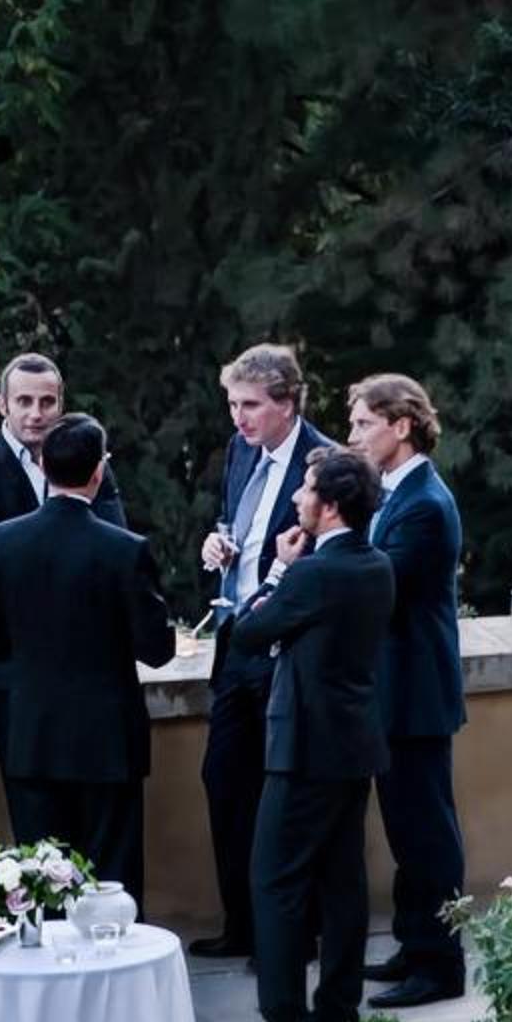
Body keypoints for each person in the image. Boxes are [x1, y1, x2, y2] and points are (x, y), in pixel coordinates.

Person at [211, 445, 393, 1022]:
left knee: (275, 880)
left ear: (330, 505)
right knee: (342, 880)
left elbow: (246, 632)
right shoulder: (376, 565)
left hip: (306, 747)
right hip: (354, 744)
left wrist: (275, 574)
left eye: (307, 488)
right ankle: (338, 1008)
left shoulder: (315, 573)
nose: (296, 496)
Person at [0, 411, 177, 909]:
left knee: (42, 883)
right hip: (109, 740)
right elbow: (157, 650)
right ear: (99, 471)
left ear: (42, 466)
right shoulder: (125, 550)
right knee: (113, 883)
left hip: (33, 734)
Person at [193, 341, 331, 960]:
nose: (238, 417)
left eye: (250, 405)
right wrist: (218, 544)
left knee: (287, 792)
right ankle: (242, 925)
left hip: (289, 647)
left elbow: (333, 558)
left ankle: (293, 935)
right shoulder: (239, 451)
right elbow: (236, 521)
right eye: (232, 404)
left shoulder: (323, 461)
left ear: (287, 402)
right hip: (236, 640)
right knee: (224, 779)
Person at [0, 351, 128, 821]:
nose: (36, 413)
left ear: (61, 403)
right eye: (24, 401)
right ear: (2, 404)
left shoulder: (92, 463)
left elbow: (116, 550)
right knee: (38, 825)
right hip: (15, 672)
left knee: (101, 823)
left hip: (90, 673)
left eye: (47, 402)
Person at [347, 372, 469, 1005]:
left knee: (427, 833)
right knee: (405, 827)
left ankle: (440, 964)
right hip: (394, 690)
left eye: (363, 424)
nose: (353, 436)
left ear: (402, 426)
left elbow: (380, 586)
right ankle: (413, 942)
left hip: (416, 690)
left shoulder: (423, 502)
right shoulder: (395, 492)